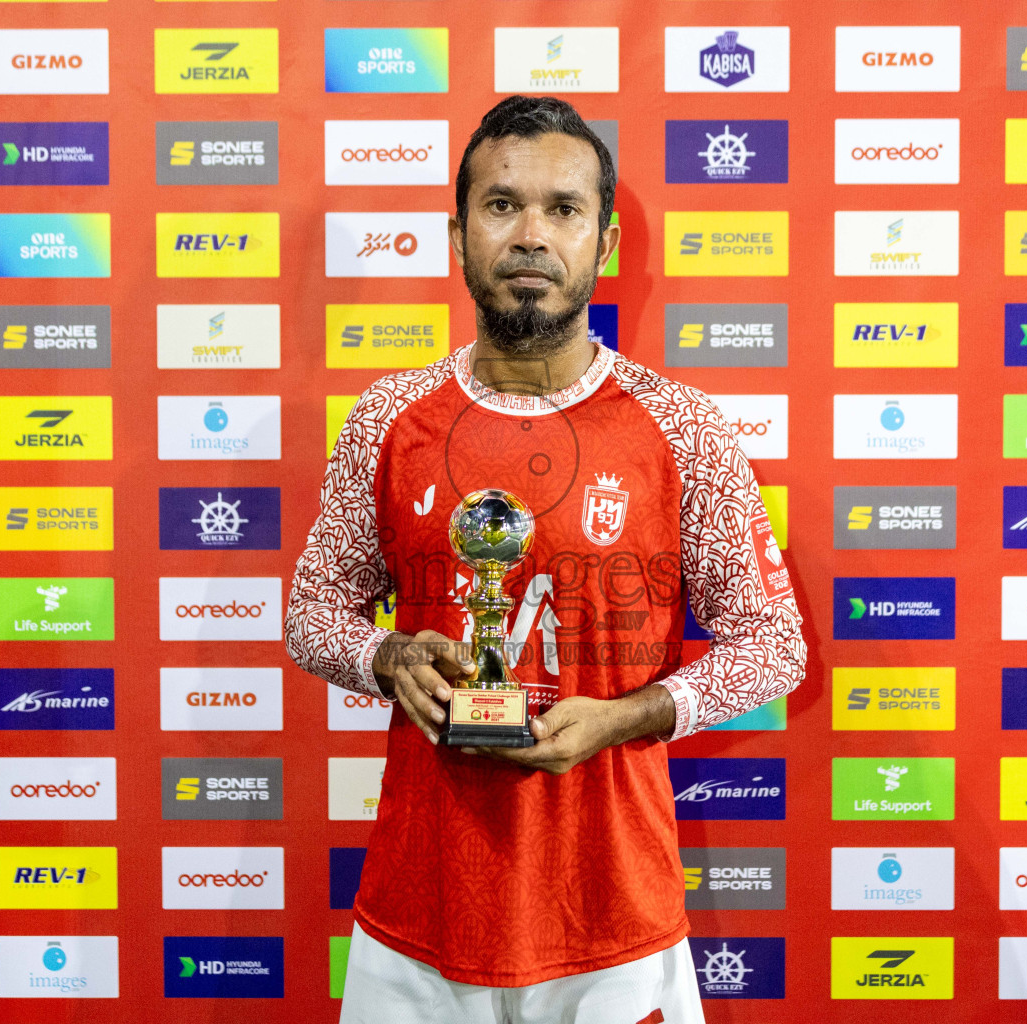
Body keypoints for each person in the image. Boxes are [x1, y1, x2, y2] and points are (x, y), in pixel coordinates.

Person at [286, 95, 806, 1024]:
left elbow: (773, 643)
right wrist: (386, 655)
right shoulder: (388, 419)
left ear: (604, 244)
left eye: (563, 210)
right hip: (419, 919)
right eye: (501, 206)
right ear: (458, 236)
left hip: (613, 924)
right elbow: (311, 612)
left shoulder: (681, 426)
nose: (531, 235)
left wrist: (627, 716)